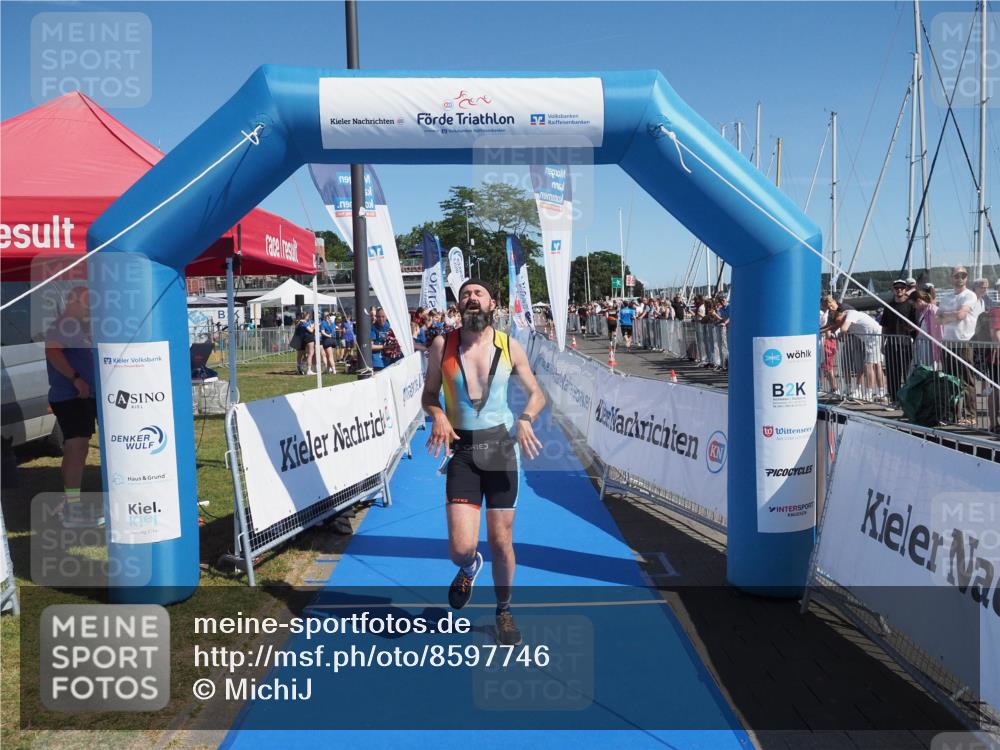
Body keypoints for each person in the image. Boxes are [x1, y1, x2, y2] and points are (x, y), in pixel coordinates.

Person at [421, 278, 545, 647]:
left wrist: (525, 419)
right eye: (465, 295)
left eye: (478, 294)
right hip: (462, 450)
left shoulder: (509, 346)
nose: (471, 299)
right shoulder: (442, 345)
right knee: (460, 548)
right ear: (458, 306)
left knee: (500, 539)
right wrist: (437, 414)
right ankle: (469, 566)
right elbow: (429, 394)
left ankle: (503, 610)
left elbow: (536, 393)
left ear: (493, 303)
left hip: (502, 449)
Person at [45, 287, 103, 528]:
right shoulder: (64, 324)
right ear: (74, 301)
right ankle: (72, 507)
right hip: (71, 397)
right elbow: (52, 351)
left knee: (79, 447)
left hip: (84, 396)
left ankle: (72, 504)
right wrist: (76, 377)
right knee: (76, 447)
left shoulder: (78, 327)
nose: (90, 307)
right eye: (87, 302)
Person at [936, 266, 980, 425]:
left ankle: (970, 415)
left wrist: (947, 316)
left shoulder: (970, 295)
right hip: (947, 342)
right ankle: (952, 414)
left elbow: (961, 316)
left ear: (967, 278)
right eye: (956, 275)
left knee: (966, 381)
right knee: (949, 380)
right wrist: (952, 315)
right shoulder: (947, 297)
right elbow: (936, 319)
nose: (960, 278)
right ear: (951, 278)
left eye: (963, 275)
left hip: (964, 342)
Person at [832, 308, 886, 402]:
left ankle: (869, 394)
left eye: (838, 321)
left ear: (841, 315)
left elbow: (844, 328)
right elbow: (837, 327)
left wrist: (840, 333)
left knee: (868, 365)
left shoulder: (850, 314)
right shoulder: (846, 317)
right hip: (873, 337)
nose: (838, 323)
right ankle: (881, 392)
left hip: (874, 338)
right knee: (877, 365)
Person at [882, 279, 921, 404]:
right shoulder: (888, 306)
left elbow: (916, 325)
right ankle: (894, 399)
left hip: (906, 344)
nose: (899, 290)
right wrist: (883, 342)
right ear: (893, 289)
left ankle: (908, 400)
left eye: (902, 288)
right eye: (897, 288)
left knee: (907, 373)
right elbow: (884, 326)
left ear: (905, 289)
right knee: (893, 374)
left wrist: (915, 340)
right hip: (891, 344)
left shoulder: (910, 305)